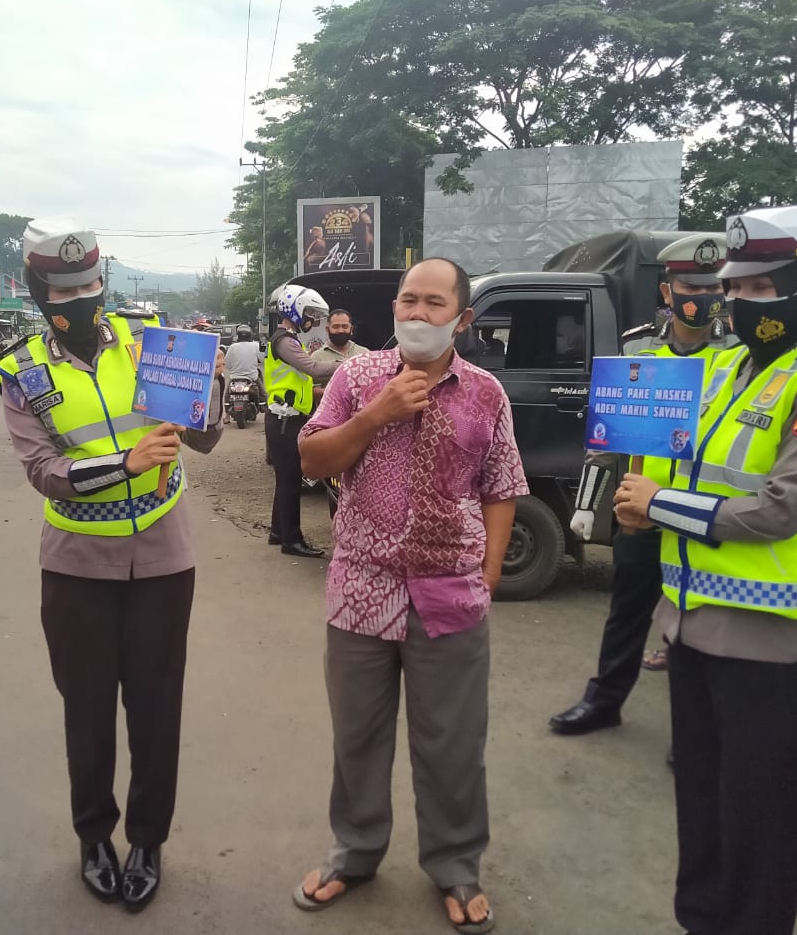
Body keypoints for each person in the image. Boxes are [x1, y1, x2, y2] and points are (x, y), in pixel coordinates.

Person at [614, 205, 797, 935]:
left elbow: (779, 510)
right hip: (692, 624)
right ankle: (701, 921)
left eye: (761, 288)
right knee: (700, 800)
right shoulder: (728, 367)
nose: (739, 302)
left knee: (758, 816)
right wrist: (636, 494)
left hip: (766, 640)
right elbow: (679, 455)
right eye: (737, 287)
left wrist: (660, 504)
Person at [0, 219, 224, 914]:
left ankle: (148, 841)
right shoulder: (21, 370)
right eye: (64, 291)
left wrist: (205, 389)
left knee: (156, 708)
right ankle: (94, 837)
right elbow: (43, 471)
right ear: (40, 294)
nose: (82, 300)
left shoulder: (149, 343)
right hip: (75, 567)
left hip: (162, 554)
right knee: (87, 710)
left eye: (91, 285)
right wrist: (124, 462)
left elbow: (207, 438)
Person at [294, 257, 529, 935]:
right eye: (408, 301)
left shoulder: (486, 393)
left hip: (450, 596)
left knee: (452, 742)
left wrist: (485, 576)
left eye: (433, 303)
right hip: (360, 591)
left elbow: (502, 487)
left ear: (462, 318)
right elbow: (314, 460)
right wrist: (377, 414)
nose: (418, 314)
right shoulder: (355, 377)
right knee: (358, 737)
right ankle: (356, 852)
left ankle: (456, 864)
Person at [549, 234, 730, 736]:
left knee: (697, 630)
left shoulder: (740, 358)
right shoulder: (638, 348)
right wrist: (588, 503)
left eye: (712, 286)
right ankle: (604, 702)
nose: (702, 297)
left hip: (703, 518)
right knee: (626, 615)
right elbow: (607, 433)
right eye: (690, 286)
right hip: (640, 511)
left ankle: (695, 732)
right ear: (668, 292)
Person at [264, 284, 338, 557]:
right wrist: (350, 365)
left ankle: (277, 532)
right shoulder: (285, 341)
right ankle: (291, 541)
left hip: (287, 417)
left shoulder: (291, 339)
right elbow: (313, 368)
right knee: (291, 480)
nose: (314, 321)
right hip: (284, 420)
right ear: (294, 311)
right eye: (310, 314)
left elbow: (303, 381)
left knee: (285, 478)